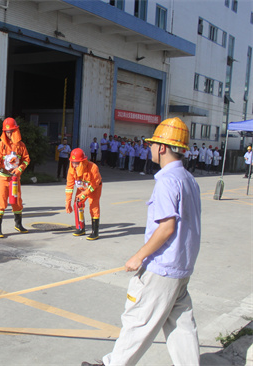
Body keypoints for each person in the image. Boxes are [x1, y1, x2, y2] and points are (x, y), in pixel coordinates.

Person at [82, 117, 201, 366]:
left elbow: (166, 228)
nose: (150, 148)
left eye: (153, 143)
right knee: (181, 325)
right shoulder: (189, 179)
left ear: (163, 148)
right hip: (181, 267)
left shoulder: (167, 181)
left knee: (138, 321)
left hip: (162, 268)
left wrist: (139, 255)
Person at [0, 117, 30, 238]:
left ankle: (18, 224)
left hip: (15, 178)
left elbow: (26, 160)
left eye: (11, 131)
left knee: (17, 202)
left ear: (16, 131)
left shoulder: (21, 145)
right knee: (1, 202)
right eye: (7, 131)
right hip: (2, 177)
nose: (9, 133)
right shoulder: (0, 145)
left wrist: (20, 169)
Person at [65, 148, 102, 240]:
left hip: (94, 188)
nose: (74, 165)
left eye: (77, 163)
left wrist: (85, 193)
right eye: (73, 162)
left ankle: (95, 232)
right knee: (77, 204)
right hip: (82, 188)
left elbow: (94, 184)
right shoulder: (71, 170)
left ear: (83, 161)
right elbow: (69, 187)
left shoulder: (93, 167)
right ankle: (81, 228)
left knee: (94, 207)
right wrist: (68, 203)